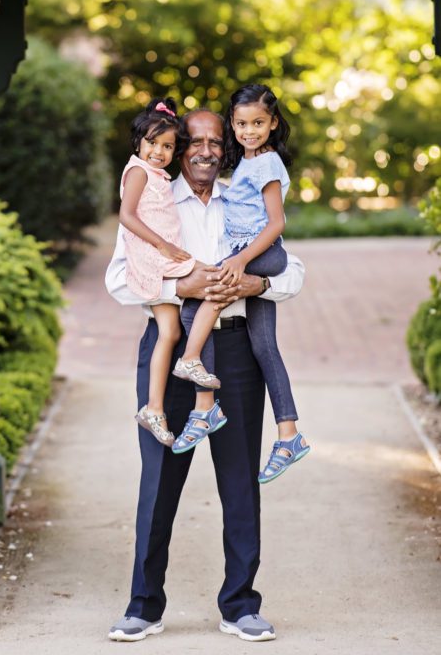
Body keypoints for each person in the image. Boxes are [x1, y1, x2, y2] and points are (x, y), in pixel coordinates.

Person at [105, 108, 305, 643]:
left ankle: (240, 604)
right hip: (171, 352)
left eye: (216, 141)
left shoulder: (245, 192)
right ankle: (143, 605)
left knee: (239, 481)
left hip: (237, 353)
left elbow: (293, 268)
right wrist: (184, 288)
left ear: (227, 149)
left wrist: (253, 288)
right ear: (177, 147)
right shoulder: (153, 195)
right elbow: (120, 278)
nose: (205, 150)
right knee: (159, 479)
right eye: (194, 140)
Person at [177, 84, 310, 482]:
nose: (249, 130)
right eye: (241, 123)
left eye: (257, 123)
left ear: (273, 123)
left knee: (204, 299)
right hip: (252, 253)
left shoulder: (266, 163)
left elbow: (277, 223)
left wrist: (240, 261)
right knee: (265, 346)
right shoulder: (248, 163)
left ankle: (197, 383)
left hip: (263, 254)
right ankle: (289, 434)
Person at [118, 98, 225, 448]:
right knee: (214, 280)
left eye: (166, 145)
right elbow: (127, 217)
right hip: (155, 258)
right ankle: (191, 359)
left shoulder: (157, 178)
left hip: (159, 262)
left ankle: (153, 408)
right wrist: (166, 251)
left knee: (170, 332)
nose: (158, 152)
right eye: (152, 143)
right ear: (138, 143)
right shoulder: (138, 172)